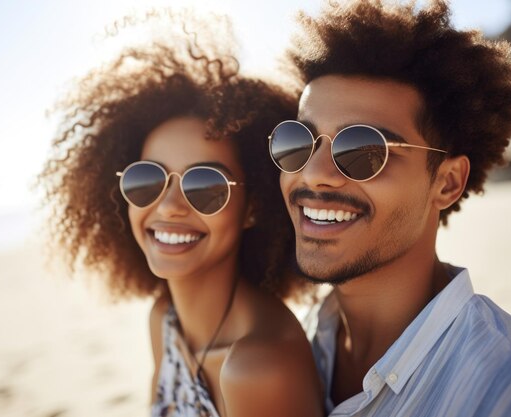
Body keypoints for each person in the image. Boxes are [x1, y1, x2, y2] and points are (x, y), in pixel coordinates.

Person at [267, 1, 511, 416]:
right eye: (298, 141)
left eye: (363, 149)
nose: (314, 175)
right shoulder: (299, 337)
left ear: (447, 182)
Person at [38, 11, 322, 417]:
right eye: (146, 181)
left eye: (205, 186)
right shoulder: (165, 322)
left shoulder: (259, 367)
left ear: (253, 207)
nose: (169, 206)